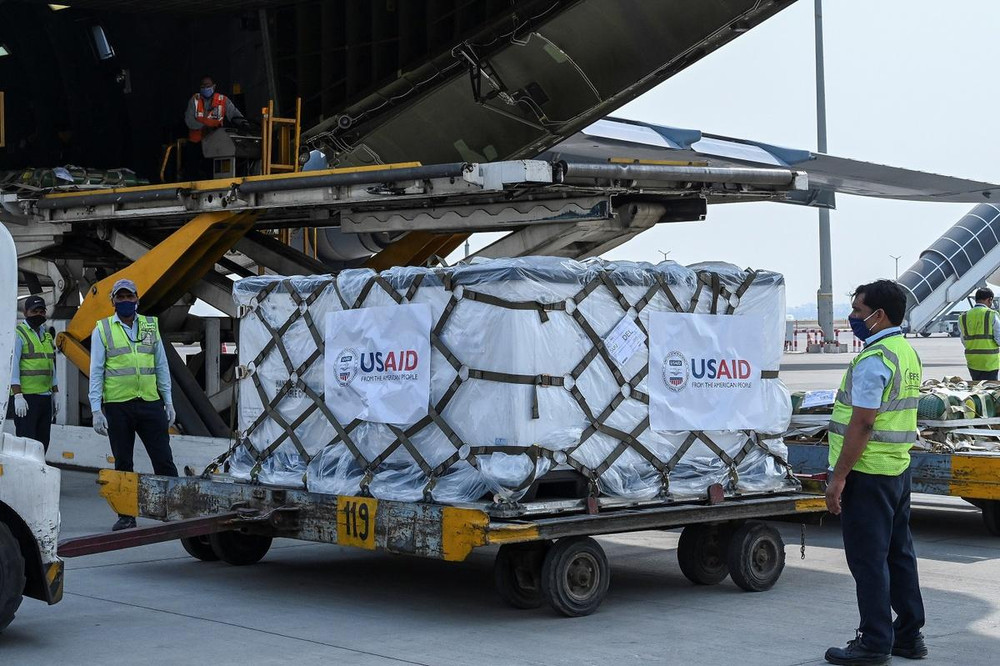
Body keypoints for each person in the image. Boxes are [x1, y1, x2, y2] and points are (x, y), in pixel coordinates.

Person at [824, 280, 926, 665]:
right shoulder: (906, 352)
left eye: (857, 310)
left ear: (878, 315)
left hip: (867, 472)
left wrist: (838, 477)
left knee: (868, 560)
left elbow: (863, 423)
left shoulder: (874, 359)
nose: (852, 317)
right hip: (897, 469)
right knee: (899, 554)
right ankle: (908, 634)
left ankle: (874, 641)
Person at [89, 279, 178, 531]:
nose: (126, 301)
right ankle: (126, 516)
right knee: (123, 463)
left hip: (150, 403)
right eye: (121, 297)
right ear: (113, 301)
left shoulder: (150, 325)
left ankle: (176, 509)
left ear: (137, 299)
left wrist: (168, 401)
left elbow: (161, 365)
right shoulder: (103, 329)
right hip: (118, 406)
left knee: (163, 459)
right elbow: (96, 371)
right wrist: (96, 409)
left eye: (130, 297)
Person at [9, 295, 57, 452]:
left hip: (45, 397)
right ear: (25, 312)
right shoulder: (18, 334)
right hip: (27, 398)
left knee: (43, 442)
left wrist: (55, 393)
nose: (39, 314)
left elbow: (51, 365)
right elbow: (12, 366)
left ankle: (40, 467)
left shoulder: (46, 336)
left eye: (42, 311)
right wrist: (18, 395)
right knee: (26, 442)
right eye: (34, 311)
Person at [182, 76, 248, 179]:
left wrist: (246, 125)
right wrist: (204, 127)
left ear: (214, 86)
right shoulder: (194, 100)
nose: (205, 88)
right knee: (192, 170)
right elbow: (189, 121)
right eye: (203, 86)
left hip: (215, 142)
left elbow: (235, 115)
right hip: (196, 143)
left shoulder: (223, 100)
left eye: (207, 85)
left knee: (214, 167)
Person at [958, 287, 1000, 381]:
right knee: (990, 388)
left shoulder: (963, 317)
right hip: (990, 361)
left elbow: (964, 340)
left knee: (976, 387)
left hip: (973, 361)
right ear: (989, 299)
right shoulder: (991, 314)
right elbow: (999, 338)